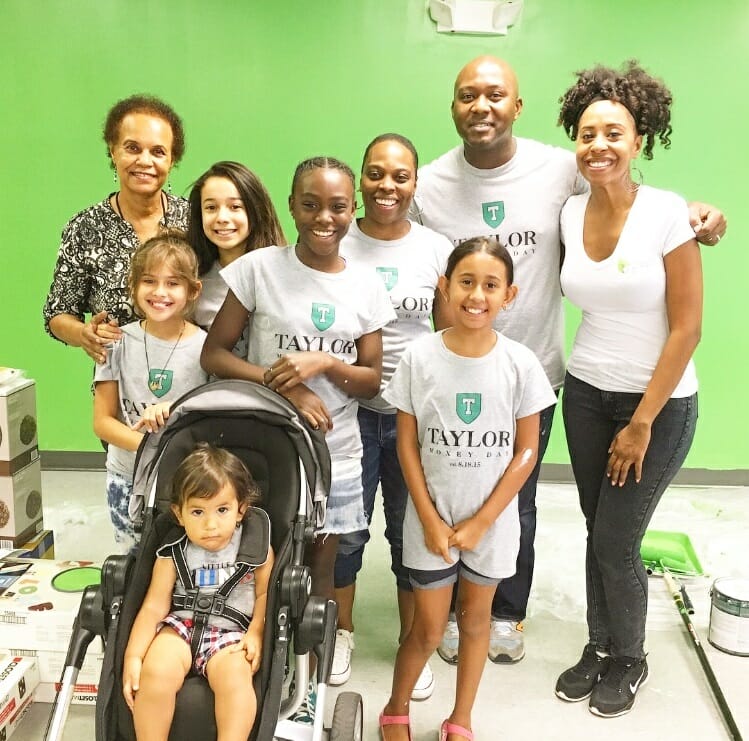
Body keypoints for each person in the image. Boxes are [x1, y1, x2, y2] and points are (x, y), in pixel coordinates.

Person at [414, 55, 726, 664]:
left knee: (523, 501)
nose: (482, 106)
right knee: (461, 490)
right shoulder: (431, 184)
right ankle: (470, 614)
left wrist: (699, 216)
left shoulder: (560, 171)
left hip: (541, 374)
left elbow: (639, 206)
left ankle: (511, 616)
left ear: (518, 105)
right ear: (452, 106)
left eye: (495, 94)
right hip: (506, 376)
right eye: (467, 95)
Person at [201, 156, 395, 723]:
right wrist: (280, 386)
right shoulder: (259, 269)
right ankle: (244, 655)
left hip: (334, 451)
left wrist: (324, 364)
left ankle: (306, 669)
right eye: (310, 204)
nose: (324, 217)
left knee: (321, 561)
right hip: (264, 443)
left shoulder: (365, 285)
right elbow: (216, 353)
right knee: (254, 551)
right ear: (291, 206)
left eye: (337, 206)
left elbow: (370, 379)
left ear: (352, 210)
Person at [554, 61, 701, 718]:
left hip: (657, 406)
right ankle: (599, 642)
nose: (598, 146)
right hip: (585, 392)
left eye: (612, 132)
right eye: (587, 133)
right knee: (595, 528)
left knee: (616, 536)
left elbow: (687, 328)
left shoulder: (668, 212)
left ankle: (630, 655)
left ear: (637, 138)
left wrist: (640, 421)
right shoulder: (567, 213)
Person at [378, 238, 556, 741]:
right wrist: (432, 519)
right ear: (445, 286)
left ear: (510, 295)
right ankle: (395, 708)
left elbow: (526, 451)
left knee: (476, 622)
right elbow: (406, 446)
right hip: (430, 522)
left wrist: (481, 522)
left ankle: (461, 717)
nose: (477, 295)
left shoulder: (521, 364)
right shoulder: (418, 357)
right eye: (466, 281)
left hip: (491, 525)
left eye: (491, 285)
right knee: (428, 630)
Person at [330, 133, 454, 697]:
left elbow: (451, 335)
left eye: (400, 176)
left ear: (415, 183)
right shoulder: (336, 241)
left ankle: (414, 643)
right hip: (347, 412)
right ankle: (340, 631)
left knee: (411, 538)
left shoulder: (433, 248)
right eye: (376, 173)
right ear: (360, 179)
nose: (387, 186)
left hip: (412, 419)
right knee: (345, 532)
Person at [123, 443, 274, 741]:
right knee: (155, 672)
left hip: (231, 635)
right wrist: (133, 656)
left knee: (236, 678)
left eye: (222, 510)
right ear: (179, 514)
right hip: (180, 628)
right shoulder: (172, 554)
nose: (210, 524)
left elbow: (265, 596)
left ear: (241, 509)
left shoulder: (256, 550)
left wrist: (256, 632)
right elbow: (153, 608)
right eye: (197, 511)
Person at [44, 94, 189, 364]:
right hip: (118, 388)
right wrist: (84, 333)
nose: (145, 161)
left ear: (172, 160)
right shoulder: (85, 228)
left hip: (195, 385)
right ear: (113, 150)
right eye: (133, 148)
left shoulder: (195, 221)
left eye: (158, 152)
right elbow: (58, 313)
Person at [93, 230, 207, 552]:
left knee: (182, 566)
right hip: (126, 477)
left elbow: (210, 419)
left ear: (193, 290)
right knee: (133, 563)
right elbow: (102, 422)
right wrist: (150, 446)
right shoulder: (115, 342)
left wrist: (170, 448)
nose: (160, 292)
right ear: (133, 287)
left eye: (173, 283)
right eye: (149, 281)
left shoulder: (205, 348)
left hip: (184, 482)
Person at [188, 160, 286, 337]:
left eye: (235, 207)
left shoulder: (284, 272)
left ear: (255, 210)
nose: (222, 218)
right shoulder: (193, 281)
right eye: (211, 207)